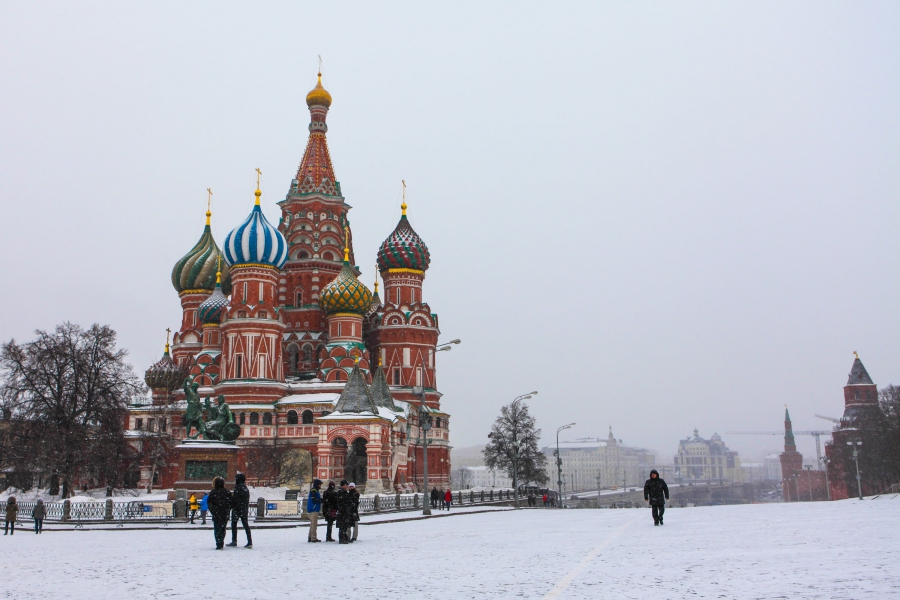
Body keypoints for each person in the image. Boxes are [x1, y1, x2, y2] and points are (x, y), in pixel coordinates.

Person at [227, 473, 252, 548]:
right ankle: (249, 541)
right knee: (246, 525)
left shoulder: (237, 488)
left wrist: (232, 505)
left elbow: (235, 499)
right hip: (244, 509)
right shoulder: (245, 488)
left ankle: (234, 540)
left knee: (234, 525)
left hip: (237, 509)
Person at [208, 476, 232, 549]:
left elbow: (210, 503)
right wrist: (227, 509)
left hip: (216, 514)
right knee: (223, 528)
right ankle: (221, 541)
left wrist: (213, 511)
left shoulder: (213, 492)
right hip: (224, 513)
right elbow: (231, 502)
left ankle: (218, 543)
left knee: (217, 528)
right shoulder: (227, 492)